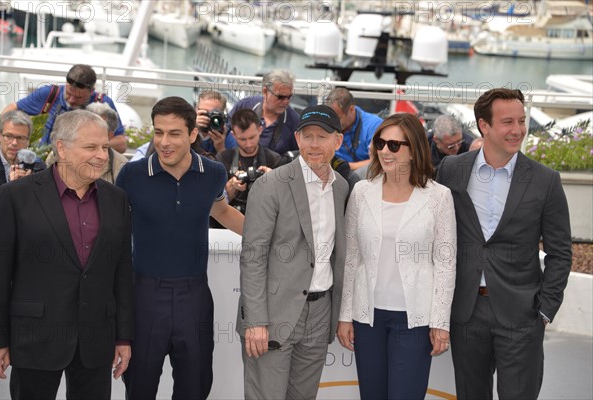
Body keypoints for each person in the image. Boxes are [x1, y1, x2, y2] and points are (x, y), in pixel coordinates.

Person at [436, 88, 572, 399]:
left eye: (522, 121)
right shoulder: (452, 170)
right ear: (483, 125)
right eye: (507, 121)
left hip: (522, 314)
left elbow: (560, 252)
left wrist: (545, 310)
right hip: (466, 312)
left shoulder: (545, 180)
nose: (518, 130)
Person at [0, 110, 134, 399]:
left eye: (105, 148)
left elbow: (121, 271)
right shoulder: (15, 196)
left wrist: (122, 336)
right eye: (91, 147)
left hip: (95, 340)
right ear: (61, 148)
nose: (102, 156)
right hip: (34, 338)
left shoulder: (115, 199)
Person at [116, 96, 244, 400]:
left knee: (196, 385)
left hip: (195, 294)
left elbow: (222, 211)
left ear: (191, 135)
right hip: (144, 295)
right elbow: (112, 232)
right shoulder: (131, 176)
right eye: (158, 132)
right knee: (140, 386)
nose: (164, 142)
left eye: (174, 133)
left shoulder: (213, 173)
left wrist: (270, 238)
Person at [337, 113, 456, 399]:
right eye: (380, 143)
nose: (384, 151)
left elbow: (445, 263)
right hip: (367, 319)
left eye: (394, 145)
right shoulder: (362, 192)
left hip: (414, 320)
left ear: (414, 150)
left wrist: (440, 322)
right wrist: (345, 316)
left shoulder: (439, 197)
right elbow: (351, 256)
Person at [237, 105, 348, 399]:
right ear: (297, 139)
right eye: (306, 136)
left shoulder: (342, 189)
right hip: (273, 314)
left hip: (320, 312)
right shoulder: (270, 185)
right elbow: (253, 258)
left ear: (337, 141)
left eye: (322, 137)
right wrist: (256, 321)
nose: (313, 144)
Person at [2, 64, 128, 153]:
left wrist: (92, 146)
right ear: (66, 84)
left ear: (92, 91)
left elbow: (121, 144)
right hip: (44, 162)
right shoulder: (49, 94)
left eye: (78, 97)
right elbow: (10, 109)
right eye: (68, 94)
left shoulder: (103, 103)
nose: (72, 100)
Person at [130, 90, 229, 162]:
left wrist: (221, 148)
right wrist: (190, 124)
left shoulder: (227, 134)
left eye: (214, 114)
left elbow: (226, 173)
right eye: (204, 113)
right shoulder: (182, 126)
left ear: (222, 114)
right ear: (196, 109)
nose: (209, 118)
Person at [217, 108, 281, 215]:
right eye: (242, 139)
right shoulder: (223, 159)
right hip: (229, 223)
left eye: (252, 137)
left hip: (265, 219)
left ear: (260, 130)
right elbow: (215, 207)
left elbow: (284, 203)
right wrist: (229, 189)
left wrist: (275, 181)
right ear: (233, 135)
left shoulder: (274, 159)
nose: (248, 144)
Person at [45, 102, 128, 184]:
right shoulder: (56, 156)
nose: (102, 156)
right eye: (90, 147)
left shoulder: (121, 166)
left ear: (109, 135)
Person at [225, 69, 300, 155]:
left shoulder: (295, 122)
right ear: (265, 92)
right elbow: (224, 131)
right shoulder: (244, 106)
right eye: (281, 97)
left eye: (289, 97)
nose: (286, 101)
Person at [324, 87, 383, 170]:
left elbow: (379, 162)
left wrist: (346, 167)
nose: (334, 123)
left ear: (351, 109)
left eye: (338, 118)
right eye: (331, 118)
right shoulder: (327, 123)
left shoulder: (374, 125)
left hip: (366, 175)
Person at [0, 110, 45, 195]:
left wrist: (29, 186)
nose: (14, 143)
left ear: (28, 141)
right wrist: (10, 187)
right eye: (9, 136)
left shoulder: (38, 167)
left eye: (21, 138)